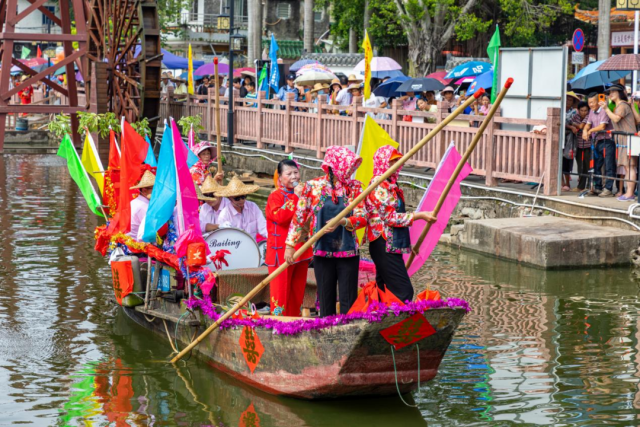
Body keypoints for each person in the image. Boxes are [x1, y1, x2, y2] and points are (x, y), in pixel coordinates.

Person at [285, 146, 367, 317]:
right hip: (322, 250)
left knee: (348, 299)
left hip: (348, 251)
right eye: (346, 166)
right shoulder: (312, 187)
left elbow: (363, 217)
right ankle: (326, 329)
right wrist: (290, 245)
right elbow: (299, 217)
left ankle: (348, 329)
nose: (350, 171)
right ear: (333, 166)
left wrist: (343, 221)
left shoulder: (355, 188)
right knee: (325, 298)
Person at [366, 146, 437, 302]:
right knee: (404, 291)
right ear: (384, 163)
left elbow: (397, 218)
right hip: (383, 243)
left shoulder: (391, 185)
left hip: (392, 243)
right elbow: (390, 218)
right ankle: (397, 316)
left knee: (384, 289)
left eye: (398, 161)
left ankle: (382, 316)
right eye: (393, 162)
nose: (397, 165)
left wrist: (408, 245)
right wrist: (419, 215)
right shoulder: (379, 185)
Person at [266, 159, 313, 316]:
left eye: (296, 172)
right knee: (280, 295)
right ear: (280, 177)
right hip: (281, 252)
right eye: (289, 173)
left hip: (301, 250)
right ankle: (279, 326)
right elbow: (280, 217)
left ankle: (294, 325)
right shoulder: (275, 196)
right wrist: (296, 197)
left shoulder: (305, 194)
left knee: (296, 295)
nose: (294, 176)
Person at [602, 84, 638, 201]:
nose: (610, 94)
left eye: (614, 91)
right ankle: (629, 193)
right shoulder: (620, 105)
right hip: (625, 139)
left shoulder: (622, 105)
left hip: (628, 139)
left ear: (620, 93)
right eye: (609, 92)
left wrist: (606, 108)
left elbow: (616, 118)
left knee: (629, 166)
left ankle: (629, 193)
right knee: (628, 167)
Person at [583, 92, 615, 197]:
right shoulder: (591, 111)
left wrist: (590, 131)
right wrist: (585, 131)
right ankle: (597, 187)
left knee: (609, 165)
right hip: (598, 141)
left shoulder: (604, 110)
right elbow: (587, 124)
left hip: (608, 141)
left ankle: (608, 189)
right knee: (596, 165)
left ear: (598, 101)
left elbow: (602, 127)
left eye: (593, 102)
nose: (591, 105)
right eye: (589, 102)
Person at [217, 176, 267, 241]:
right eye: (237, 198)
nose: (241, 200)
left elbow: (263, 227)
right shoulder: (224, 215)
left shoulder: (253, 207)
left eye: (243, 197)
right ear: (230, 198)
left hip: (253, 245)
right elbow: (223, 238)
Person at [128, 169, 155, 241]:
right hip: (135, 244)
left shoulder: (135, 202)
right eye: (154, 189)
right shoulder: (143, 207)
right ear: (144, 190)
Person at [562, 92, 580, 191]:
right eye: (567, 99)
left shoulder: (574, 112)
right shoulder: (560, 109)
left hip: (570, 139)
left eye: (570, 100)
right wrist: (570, 126)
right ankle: (561, 182)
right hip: (560, 137)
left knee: (568, 159)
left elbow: (576, 123)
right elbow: (559, 122)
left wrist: (573, 126)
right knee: (559, 160)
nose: (568, 101)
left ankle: (567, 183)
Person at [572, 101, 591, 192]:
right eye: (581, 110)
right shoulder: (576, 116)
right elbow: (571, 123)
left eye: (585, 110)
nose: (584, 112)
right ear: (578, 110)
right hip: (578, 145)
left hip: (588, 145)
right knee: (580, 166)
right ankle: (581, 186)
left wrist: (574, 125)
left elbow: (580, 126)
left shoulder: (589, 116)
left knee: (588, 166)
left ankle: (589, 186)